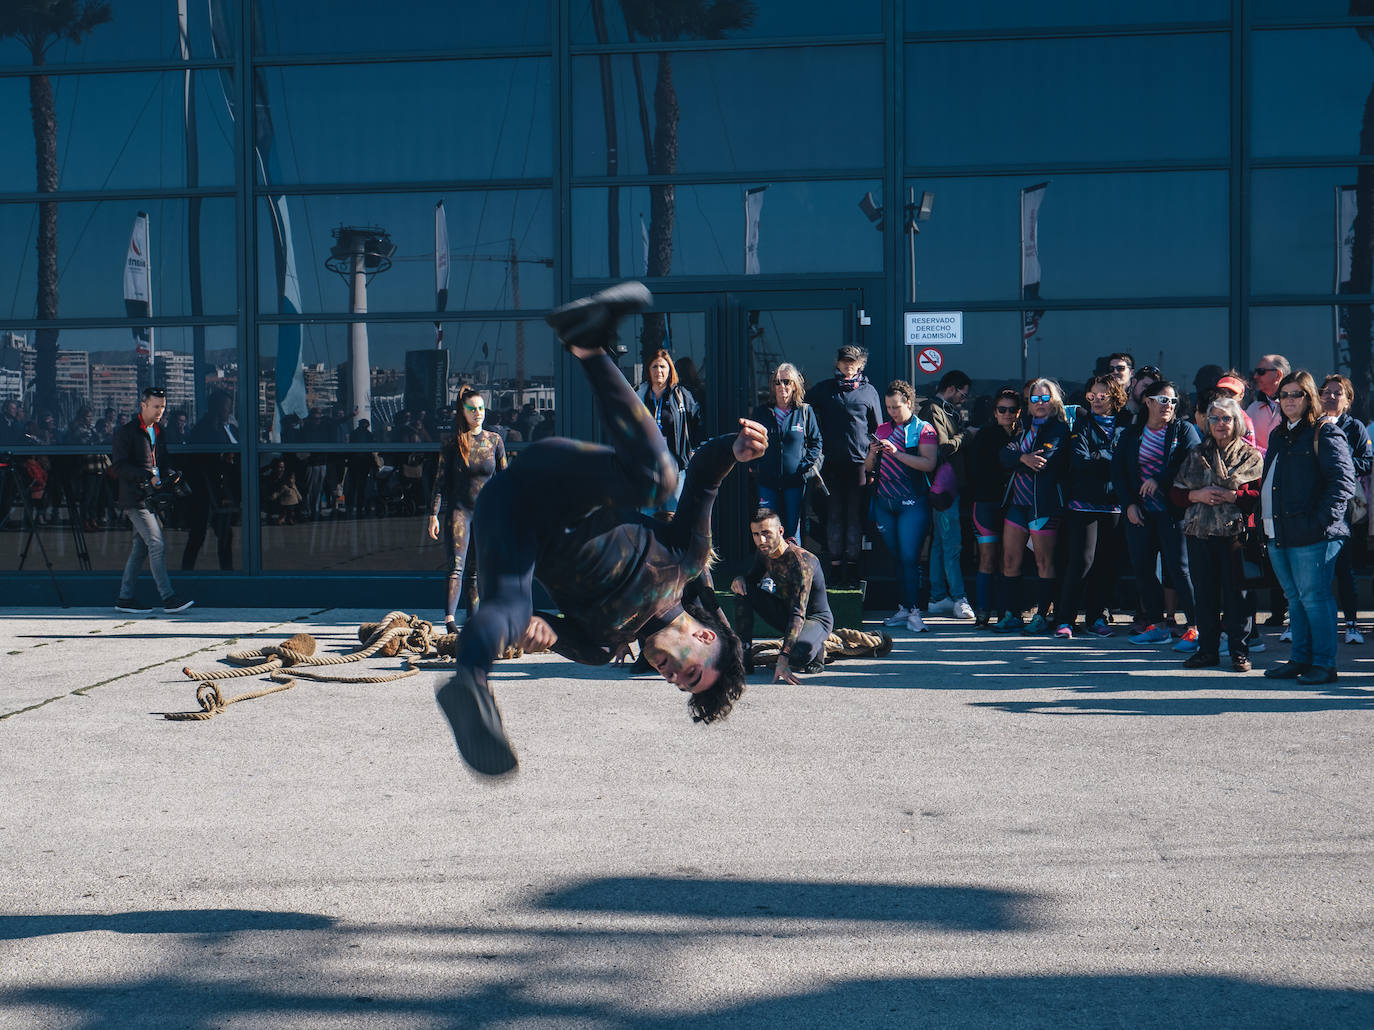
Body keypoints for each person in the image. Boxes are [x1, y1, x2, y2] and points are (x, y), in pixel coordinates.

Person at [434, 282, 763, 776]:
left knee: (509, 608)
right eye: (690, 673)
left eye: (680, 686)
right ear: (704, 635)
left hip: (506, 518)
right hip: (555, 482)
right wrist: (732, 450)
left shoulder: (599, 646)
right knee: (660, 478)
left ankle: (470, 684)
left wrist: (538, 631)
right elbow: (702, 481)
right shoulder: (685, 561)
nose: (673, 678)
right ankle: (587, 344)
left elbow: (538, 627)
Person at [1260, 371, 1356, 685]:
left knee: (1315, 599)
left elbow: (1343, 483)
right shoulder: (1279, 434)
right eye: (1284, 395)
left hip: (1314, 535)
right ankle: (1299, 659)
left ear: (1309, 397)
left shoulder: (1324, 432)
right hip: (1279, 532)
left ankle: (1324, 665)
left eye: (1296, 394)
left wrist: (1318, 524)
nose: (1289, 400)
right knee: (1296, 599)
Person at [730, 508, 892, 681]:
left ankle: (818, 650)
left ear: (780, 531)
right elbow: (751, 580)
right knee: (743, 592)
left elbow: (798, 613)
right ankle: (744, 658)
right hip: (787, 614)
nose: (761, 540)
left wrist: (783, 658)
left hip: (816, 619)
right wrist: (740, 579)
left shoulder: (801, 562)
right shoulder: (764, 552)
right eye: (755, 534)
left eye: (766, 533)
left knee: (797, 655)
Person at [1170, 396, 1264, 672]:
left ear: (1237, 422)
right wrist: (1195, 495)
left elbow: (1260, 496)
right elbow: (1175, 493)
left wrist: (1234, 496)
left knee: (1238, 598)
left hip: (1237, 535)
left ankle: (1239, 652)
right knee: (1205, 596)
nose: (1220, 423)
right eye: (1215, 418)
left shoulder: (1251, 456)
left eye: (1226, 418)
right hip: (1199, 534)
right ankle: (1207, 651)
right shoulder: (1195, 454)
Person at [1113, 379, 1201, 650]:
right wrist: (1129, 504)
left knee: (1180, 569)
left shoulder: (1183, 429)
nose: (1168, 406)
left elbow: (1192, 461)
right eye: (1163, 400)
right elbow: (1118, 472)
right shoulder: (1132, 433)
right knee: (1143, 569)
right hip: (1140, 513)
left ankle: (1196, 627)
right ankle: (1156, 626)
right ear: (1148, 402)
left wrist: (1160, 480)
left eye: (1173, 401)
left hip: (1173, 512)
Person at [990, 379, 1070, 634]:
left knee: (1044, 562)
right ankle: (1011, 615)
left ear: (1053, 401)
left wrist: (1019, 457)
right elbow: (1004, 456)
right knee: (1009, 559)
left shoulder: (1058, 428)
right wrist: (1023, 457)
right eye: (1035, 399)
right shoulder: (1023, 425)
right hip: (1018, 503)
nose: (1040, 403)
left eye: (1045, 398)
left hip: (1043, 504)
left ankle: (1042, 616)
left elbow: (1043, 460)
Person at [427, 387, 508, 635]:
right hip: (460, 512)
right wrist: (433, 514)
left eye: (481, 408)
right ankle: (450, 621)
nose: (478, 413)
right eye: (472, 409)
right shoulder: (452, 443)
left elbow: (505, 480)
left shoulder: (495, 440)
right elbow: (440, 481)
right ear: (462, 412)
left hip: (486, 515)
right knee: (456, 566)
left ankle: (474, 622)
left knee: (475, 572)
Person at [1055, 374, 1128, 639]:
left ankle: (1096, 618)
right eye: (1091, 396)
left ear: (1114, 397)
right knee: (1081, 562)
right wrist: (1110, 460)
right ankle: (1065, 619)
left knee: (1106, 564)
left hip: (1115, 505)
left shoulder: (1126, 424)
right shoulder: (1082, 423)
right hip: (1083, 504)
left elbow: (1128, 461)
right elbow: (1079, 461)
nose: (1096, 400)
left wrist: (1101, 457)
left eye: (1102, 395)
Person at [806, 344, 882, 587]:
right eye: (845, 361)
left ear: (861, 364)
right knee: (834, 517)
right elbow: (802, 408)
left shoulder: (869, 392)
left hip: (859, 467)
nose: (849, 365)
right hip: (831, 466)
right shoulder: (825, 389)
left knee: (855, 518)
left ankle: (853, 570)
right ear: (837, 363)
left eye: (853, 362)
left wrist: (874, 467)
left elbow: (877, 431)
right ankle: (836, 569)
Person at [865, 380, 938, 634]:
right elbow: (868, 468)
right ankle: (904, 608)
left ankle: (915, 611)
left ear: (909, 403)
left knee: (909, 558)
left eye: (896, 407)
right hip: (884, 502)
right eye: (888, 407)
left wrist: (896, 452)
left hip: (912, 502)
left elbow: (928, 464)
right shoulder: (883, 429)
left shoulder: (924, 429)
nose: (892, 412)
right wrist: (873, 452)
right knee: (898, 557)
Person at [111, 387, 193, 614]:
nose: (160, 411)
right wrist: (147, 476)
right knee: (156, 544)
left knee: (140, 548)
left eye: (163, 407)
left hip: (151, 497)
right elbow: (119, 466)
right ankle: (168, 597)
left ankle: (125, 598)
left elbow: (163, 462)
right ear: (143, 405)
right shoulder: (126, 432)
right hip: (135, 498)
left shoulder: (159, 431)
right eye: (156, 406)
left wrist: (170, 474)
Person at [1320, 375, 1372, 645]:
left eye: (1337, 393)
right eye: (1326, 392)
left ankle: (1351, 624)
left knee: (1344, 567)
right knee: (1312, 570)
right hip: (1314, 504)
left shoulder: (1355, 427)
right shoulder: (1312, 425)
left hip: (1343, 506)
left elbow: (1367, 461)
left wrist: (1341, 461)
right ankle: (1303, 625)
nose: (1330, 397)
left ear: (1348, 400)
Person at [919, 370, 975, 621]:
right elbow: (944, 446)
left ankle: (938, 597)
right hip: (944, 489)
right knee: (951, 544)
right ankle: (959, 597)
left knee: (941, 544)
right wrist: (966, 435)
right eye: (963, 393)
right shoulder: (934, 410)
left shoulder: (942, 409)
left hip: (945, 488)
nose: (964, 399)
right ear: (951, 388)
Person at [749, 362, 822, 543]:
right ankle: (769, 563)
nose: (782, 386)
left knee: (792, 531)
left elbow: (816, 442)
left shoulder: (804, 411)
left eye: (787, 381)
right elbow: (750, 441)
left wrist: (804, 465)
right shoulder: (761, 412)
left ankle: (793, 562)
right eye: (777, 382)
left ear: (795, 385)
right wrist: (755, 465)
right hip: (767, 481)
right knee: (767, 529)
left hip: (794, 481)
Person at [965, 388, 1020, 625]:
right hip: (986, 504)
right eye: (1002, 409)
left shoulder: (1024, 435)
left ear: (1019, 412)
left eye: (1012, 409)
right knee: (987, 558)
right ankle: (983, 611)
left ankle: (1007, 611)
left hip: (1015, 505)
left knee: (1010, 559)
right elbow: (975, 471)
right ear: (995, 412)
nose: (1007, 414)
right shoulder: (985, 436)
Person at [636, 349, 701, 515]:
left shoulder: (681, 396)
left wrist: (692, 449)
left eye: (663, 367)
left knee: (674, 514)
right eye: (654, 367)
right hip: (648, 467)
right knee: (647, 515)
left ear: (670, 370)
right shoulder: (639, 396)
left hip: (675, 467)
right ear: (648, 370)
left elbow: (696, 422)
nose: (658, 371)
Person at [1247, 354, 1289, 451]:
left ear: (1278, 375)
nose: (1255, 376)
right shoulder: (1252, 409)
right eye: (1255, 372)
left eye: (1261, 372)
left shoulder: (1297, 406)